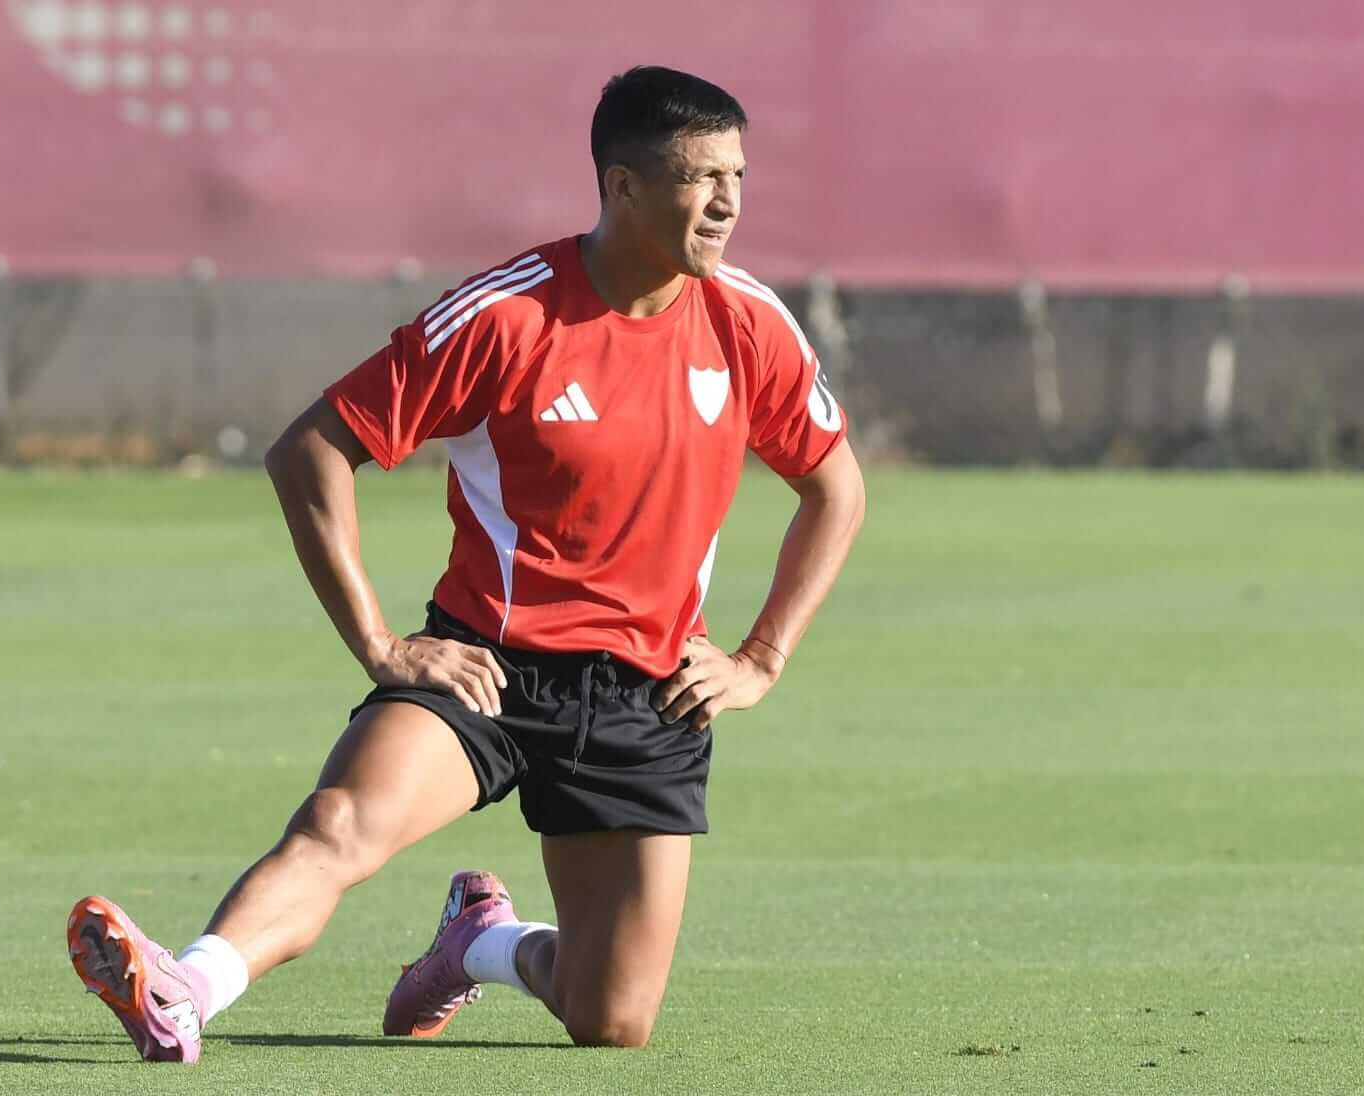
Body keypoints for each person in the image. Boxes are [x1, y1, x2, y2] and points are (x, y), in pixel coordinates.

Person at [66, 64, 865, 1062]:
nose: (727, 202)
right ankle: (186, 986)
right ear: (621, 187)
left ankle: (479, 940)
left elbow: (837, 487)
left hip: (647, 698)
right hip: (486, 670)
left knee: (609, 1020)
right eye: (700, 176)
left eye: (737, 175)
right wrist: (378, 643)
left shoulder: (747, 323)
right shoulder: (506, 314)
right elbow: (311, 450)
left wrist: (759, 659)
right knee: (341, 823)